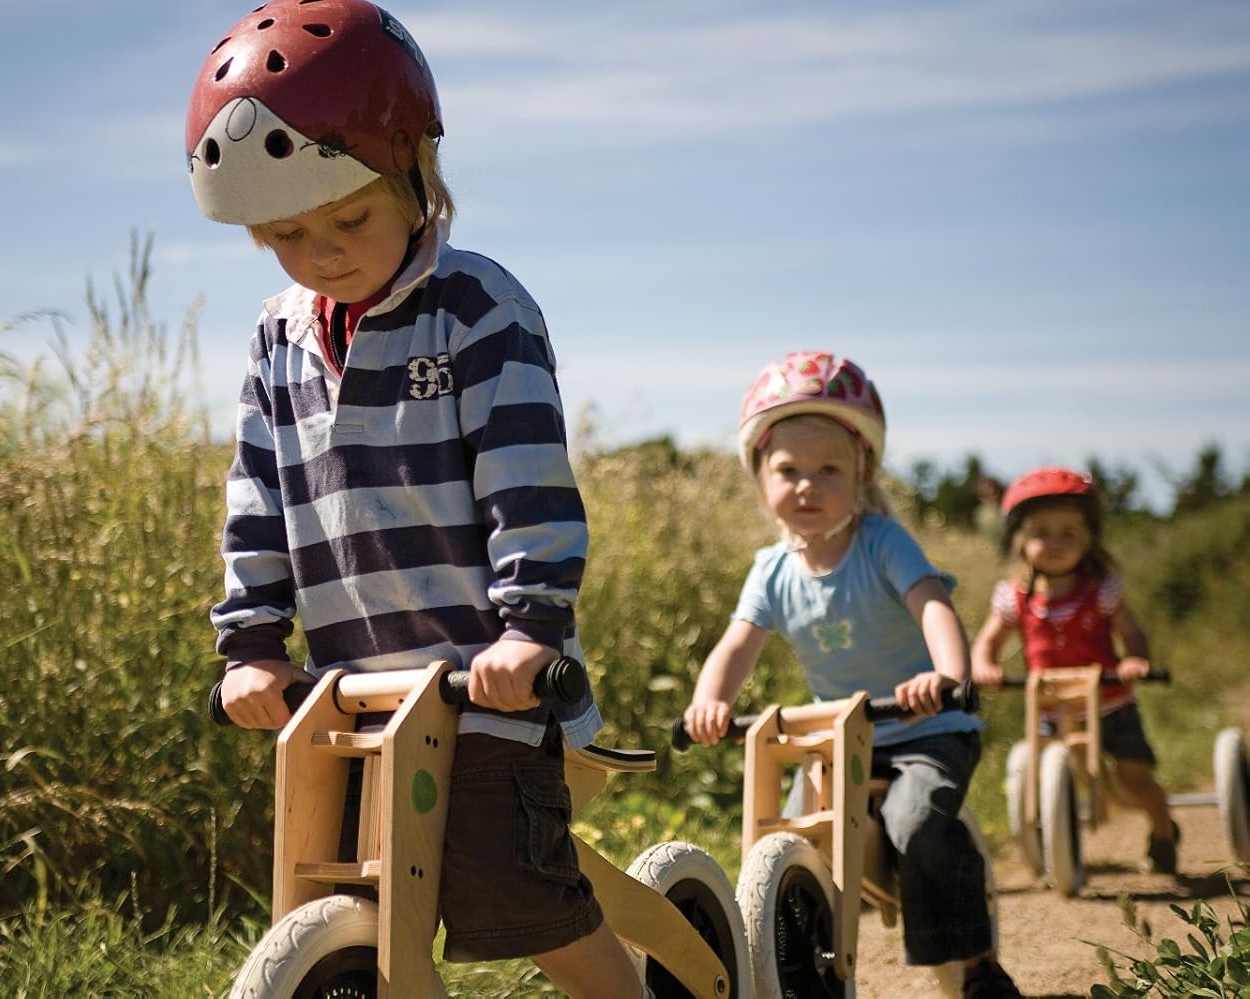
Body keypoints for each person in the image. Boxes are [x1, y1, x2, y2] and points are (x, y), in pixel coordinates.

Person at [183, 3, 644, 995]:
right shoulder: (276, 339)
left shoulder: (477, 311)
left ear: (415, 178)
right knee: (352, 896)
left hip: (486, 690)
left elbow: (527, 481)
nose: (324, 253)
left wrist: (530, 631)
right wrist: (252, 646)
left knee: (511, 900)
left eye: (349, 217)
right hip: (348, 692)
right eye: (288, 235)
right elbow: (256, 499)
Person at [682, 351, 1022, 998]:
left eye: (828, 469)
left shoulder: (882, 543)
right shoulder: (771, 570)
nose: (807, 485)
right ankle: (798, 966)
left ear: (863, 473)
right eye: (789, 470)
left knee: (919, 822)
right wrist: (709, 701)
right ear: (760, 476)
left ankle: (978, 966)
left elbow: (933, 606)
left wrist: (947, 675)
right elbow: (735, 647)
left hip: (925, 726)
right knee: (788, 839)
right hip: (841, 740)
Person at [971, 466, 1178, 874]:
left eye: (1068, 532)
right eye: (1042, 533)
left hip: (1110, 705)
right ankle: (1051, 840)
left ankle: (1164, 830)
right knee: (1037, 771)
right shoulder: (1015, 597)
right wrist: (984, 666)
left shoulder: (1100, 591)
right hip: (1051, 709)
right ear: (1020, 541)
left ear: (1088, 539)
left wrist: (1135, 660)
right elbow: (988, 642)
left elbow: (1132, 635)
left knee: (1133, 782)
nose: (1055, 543)